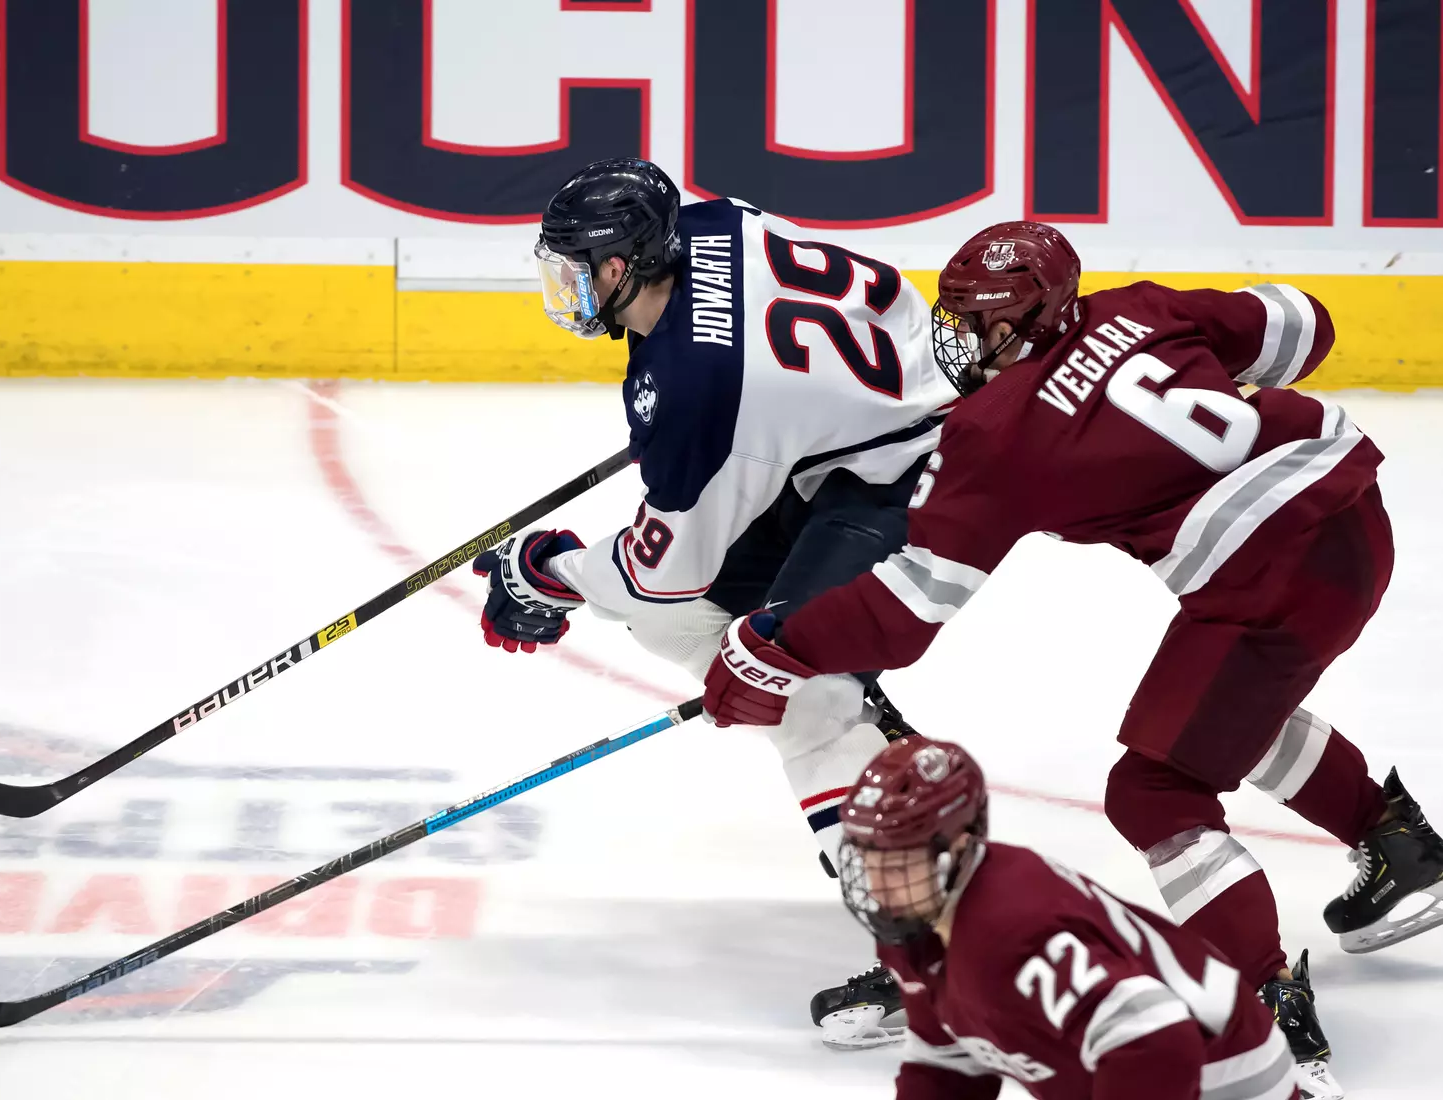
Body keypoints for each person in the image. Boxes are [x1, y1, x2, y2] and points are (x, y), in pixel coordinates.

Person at [700, 221, 1443, 1071]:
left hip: (1270, 580)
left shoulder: (994, 435)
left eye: (978, 322)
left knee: (1156, 791)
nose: (962, 338)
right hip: (1349, 510)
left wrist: (779, 640)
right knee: (1219, 711)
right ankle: (1396, 847)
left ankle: (1265, 1007)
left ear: (1024, 320)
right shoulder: (1138, 307)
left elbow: (911, 609)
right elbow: (1304, 324)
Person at [470, 155, 957, 1040]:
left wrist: (551, 568)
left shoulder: (702, 397)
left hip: (914, 471)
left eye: (576, 271)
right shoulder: (707, 220)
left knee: (789, 688)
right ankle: (892, 781)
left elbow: (662, 585)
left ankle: (939, 964)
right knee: (769, 651)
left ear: (622, 268)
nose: (565, 289)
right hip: (856, 433)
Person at [831, 734, 1316, 1100]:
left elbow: (1155, 1039)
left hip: (1227, 1076)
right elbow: (946, 1065)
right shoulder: (913, 927)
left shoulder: (1011, 926)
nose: (877, 883)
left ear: (957, 849)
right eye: (869, 859)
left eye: (898, 863)